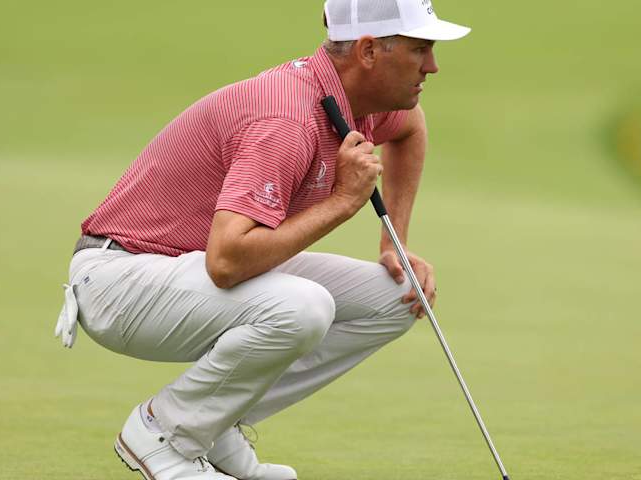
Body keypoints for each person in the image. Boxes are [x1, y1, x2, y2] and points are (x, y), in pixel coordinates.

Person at [55, 1, 469, 479]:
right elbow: (226, 262)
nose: (432, 66)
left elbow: (411, 129)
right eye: (421, 49)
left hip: (181, 273)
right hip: (122, 280)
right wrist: (341, 202)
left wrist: (392, 243)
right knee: (302, 306)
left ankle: (213, 421)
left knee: (399, 295)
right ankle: (164, 433)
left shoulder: (356, 101)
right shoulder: (286, 118)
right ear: (369, 51)